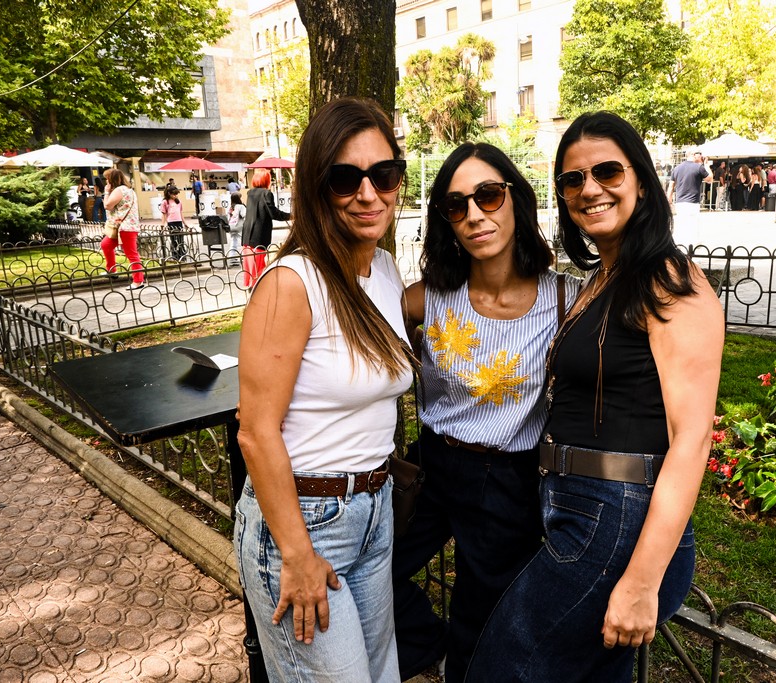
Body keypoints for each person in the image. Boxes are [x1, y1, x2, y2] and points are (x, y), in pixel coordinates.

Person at [464, 111, 724, 683]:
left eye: (607, 171)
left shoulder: (670, 280)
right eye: (572, 179)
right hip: (579, 505)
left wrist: (641, 583)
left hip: (616, 518)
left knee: (502, 669)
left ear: (641, 181)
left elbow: (693, 437)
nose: (589, 189)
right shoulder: (606, 277)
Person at [234, 97, 413, 683]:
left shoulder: (383, 270)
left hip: (374, 508)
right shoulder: (291, 284)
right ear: (316, 186)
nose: (368, 194)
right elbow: (255, 432)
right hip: (306, 520)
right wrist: (296, 552)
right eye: (345, 178)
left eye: (383, 174)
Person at [392, 143, 580, 683]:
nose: (474, 214)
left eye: (489, 196)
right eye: (456, 205)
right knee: (372, 573)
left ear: (517, 199)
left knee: (483, 614)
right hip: (430, 465)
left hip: (508, 480)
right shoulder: (426, 298)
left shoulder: (566, 299)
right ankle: (430, 647)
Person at [242, 168, 291, 287]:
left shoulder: (250, 193)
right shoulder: (266, 193)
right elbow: (273, 213)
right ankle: (258, 289)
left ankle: (251, 288)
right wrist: (291, 216)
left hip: (247, 234)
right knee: (259, 267)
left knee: (250, 268)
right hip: (259, 235)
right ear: (266, 180)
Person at [100, 168, 145, 291]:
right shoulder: (128, 190)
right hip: (124, 226)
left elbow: (107, 206)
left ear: (112, 179)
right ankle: (112, 270)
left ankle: (138, 281)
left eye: (107, 179)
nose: (106, 181)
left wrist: (106, 192)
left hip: (126, 227)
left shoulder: (119, 190)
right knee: (106, 245)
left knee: (132, 254)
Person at [666, 150, 709, 246]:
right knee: (693, 225)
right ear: (694, 155)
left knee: (682, 224)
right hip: (693, 202)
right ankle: (692, 246)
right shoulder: (699, 167)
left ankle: (681, 245)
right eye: (699, 154)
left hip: (680, 202)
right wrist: (706, 164)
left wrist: (669, 200)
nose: (700, 156)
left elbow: (671, 186)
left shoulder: (677, 168)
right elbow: (710, 179)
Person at [159, 186, 188, 260]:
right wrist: (162, 224)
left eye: (176, 194)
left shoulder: (178, 202)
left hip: (179, 222)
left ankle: (182, 255)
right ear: (169, 193)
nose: (175, 196)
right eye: (174, 194)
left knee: (181, 240)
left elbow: (181, 213)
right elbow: (164, 214)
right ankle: (175, 256)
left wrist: (185, 223)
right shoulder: (165, 202)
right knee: (173, 240)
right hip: (171, 222)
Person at [227, 192, 245, 267]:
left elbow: (228, 217)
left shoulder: (231, 207)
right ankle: (244, 256)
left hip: (231, 226)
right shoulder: (241, 206)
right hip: (239, 226)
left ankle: (232, 257)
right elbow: (245, 215)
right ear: (238, 199)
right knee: (243, 241)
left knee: (233, 241)